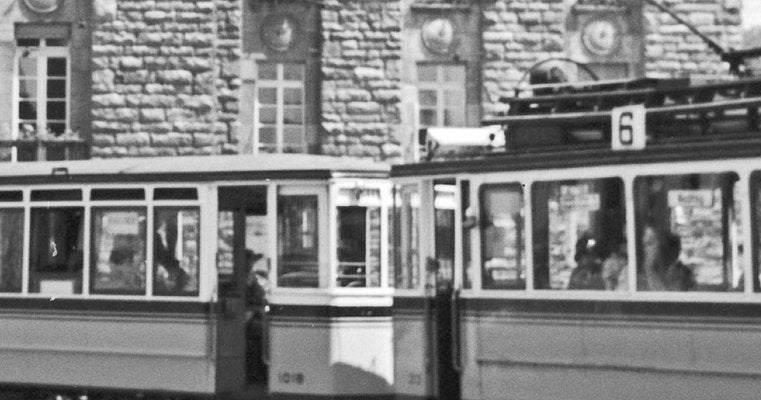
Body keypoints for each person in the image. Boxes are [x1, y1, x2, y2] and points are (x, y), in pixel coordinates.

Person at [640, 225, 694, 291]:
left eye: (650, 243)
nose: (645, 249)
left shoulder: (682, 275)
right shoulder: (636, 277)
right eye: (645, 244)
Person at [244, 249, 267, 384]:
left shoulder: (252, 276)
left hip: (253, 313)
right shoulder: (243, 278)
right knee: (260, 332)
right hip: (245, 316)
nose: (251, 264)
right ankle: (255, 373)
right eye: (249, 261)